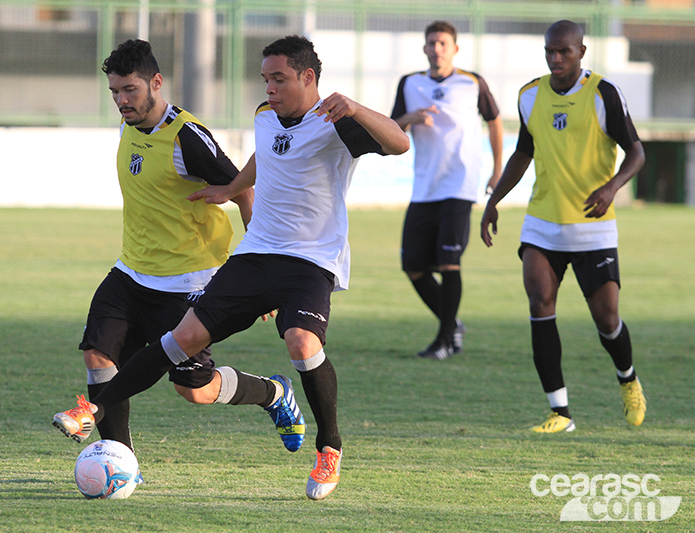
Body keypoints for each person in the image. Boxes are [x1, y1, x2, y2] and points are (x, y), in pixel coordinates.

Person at [54, 35, 409, 500]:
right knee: (179, 342)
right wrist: (233, 187)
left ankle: (329, 448)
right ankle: (94, 409)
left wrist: (358, 108)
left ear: (308, 77)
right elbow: (270, 155)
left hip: (308, 260)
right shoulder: (266, 117)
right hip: (255, 253)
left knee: (302, 344)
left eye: (278, 79)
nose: (269, 88)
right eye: (265, 79)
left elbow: (400, 143)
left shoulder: (337, 121)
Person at [53, 39, 308, 456]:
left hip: (187, 283)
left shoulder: (186, 138)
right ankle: (119, 461)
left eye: (130, 90)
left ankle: (272, 393)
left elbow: (245, 193)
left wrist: (261, 271)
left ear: (156, 82)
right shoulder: (128, 124)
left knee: (196, 390)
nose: (121, 101)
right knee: (98, 356)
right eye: (115, 92)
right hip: (131, 273)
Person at [480, 20, 647, 432]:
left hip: (593, 227)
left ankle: (627, 378)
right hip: (543, 224)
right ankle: (560, 412)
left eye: (564, 52)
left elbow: (636, 152)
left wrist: (612, 187)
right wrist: (494, 201)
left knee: (607, 319)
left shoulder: (604, 93)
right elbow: (523, 153)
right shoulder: (530, 96)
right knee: (540, 303)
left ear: (581, 53)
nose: (556, 59)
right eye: (550, 52)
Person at [391, 21, 503, 360]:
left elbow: (494, 120)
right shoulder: (410, 83)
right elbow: (391, 129)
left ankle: (444, 341)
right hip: (425, 186)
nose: (436, 48)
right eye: (431, 43)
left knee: (449, 262)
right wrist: (410, 117)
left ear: (455, 48)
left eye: (442, 43)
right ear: (424, 48)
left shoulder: (471, 82)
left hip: (460, 184)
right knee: (413, 265)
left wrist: (498, 170)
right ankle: (453, 323)